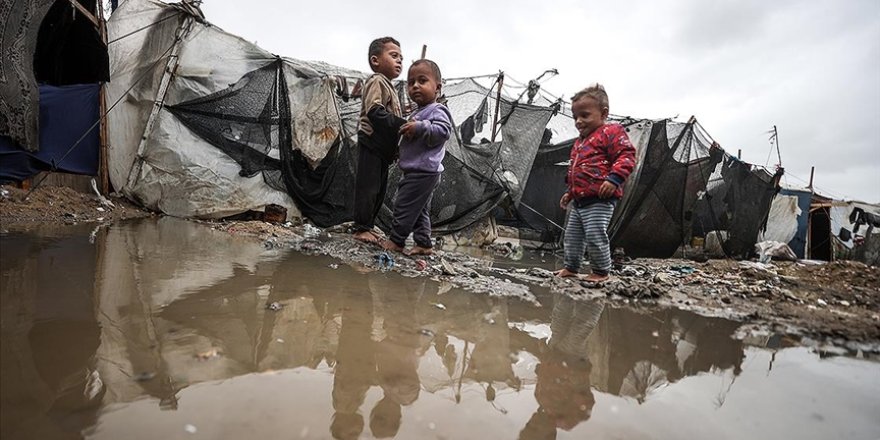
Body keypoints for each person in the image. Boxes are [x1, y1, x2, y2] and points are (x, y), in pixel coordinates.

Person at [556, 84, 636, 282]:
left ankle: (601, 272)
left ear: (604, 113)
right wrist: (570, 192)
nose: (579, 121)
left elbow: (626, 155)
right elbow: (575, 170)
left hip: (601, 198)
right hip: (579, 201)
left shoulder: (611, 132)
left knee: (594, 233)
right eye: (575, 117)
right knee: (572, 237)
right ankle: (571, 268)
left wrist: (614, 179)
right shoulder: (579, 143)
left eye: (585, 115)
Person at [380, 59, 452, 255]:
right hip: (417, 170)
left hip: (423, 171)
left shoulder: (437, 110)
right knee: (420, 210)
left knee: (402, 204)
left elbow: (444, 131)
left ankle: (397, 240)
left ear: (437, 87)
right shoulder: (416, 112)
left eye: (422, 81)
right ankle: (423, 243)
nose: (415, 86)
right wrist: (399, 150)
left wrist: (420, 127)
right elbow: (411, 141)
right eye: (411, 82)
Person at [352, 37, 406, 244]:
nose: (399, 61)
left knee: (380, 189)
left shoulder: (391, 87)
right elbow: (375, 112)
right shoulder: (377, 81)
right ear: (376, 61)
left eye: (401, 58)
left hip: (383, 149)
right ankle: (361, 228)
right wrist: (402, 123)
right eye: (394, 56)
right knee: (368, 187)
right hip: (371, 142)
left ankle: (369, 225)